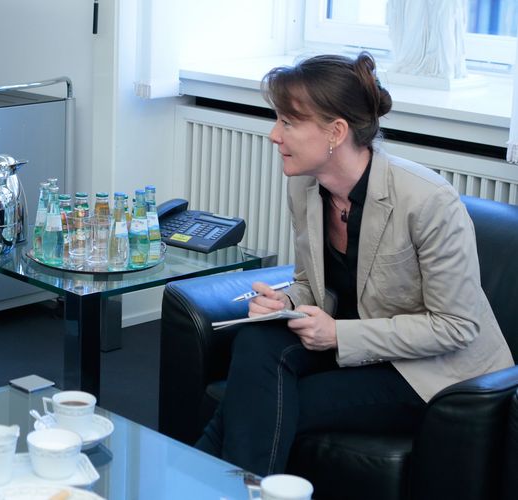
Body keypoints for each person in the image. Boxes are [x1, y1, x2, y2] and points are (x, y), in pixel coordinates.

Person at [194, 52, 513, 475]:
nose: (274, 135)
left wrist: (338, 334)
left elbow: (455, 326)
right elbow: (312, 284)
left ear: (335, 132)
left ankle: (188, 481)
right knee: (255, 342)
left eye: (288, 122)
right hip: (358, 345)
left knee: (258, 405)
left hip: (430, 371)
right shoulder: (306, 188)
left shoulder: (427, 200)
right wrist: (284, 301)